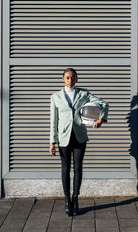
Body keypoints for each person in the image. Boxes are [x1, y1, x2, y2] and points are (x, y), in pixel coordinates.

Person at [49, 68, 109, 216]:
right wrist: (52, 141)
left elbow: (103, 103)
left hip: (79, 136)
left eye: (73, 78)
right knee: (65, 169)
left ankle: (75, 199)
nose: (70, 80)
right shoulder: (55, 97)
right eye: (68, 78)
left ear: (77, 79)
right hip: (63, 137)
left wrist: (101, 118)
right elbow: (53, 121)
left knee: (78, 168)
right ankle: (66, 200)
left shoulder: (83, 94)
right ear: (62, 79)